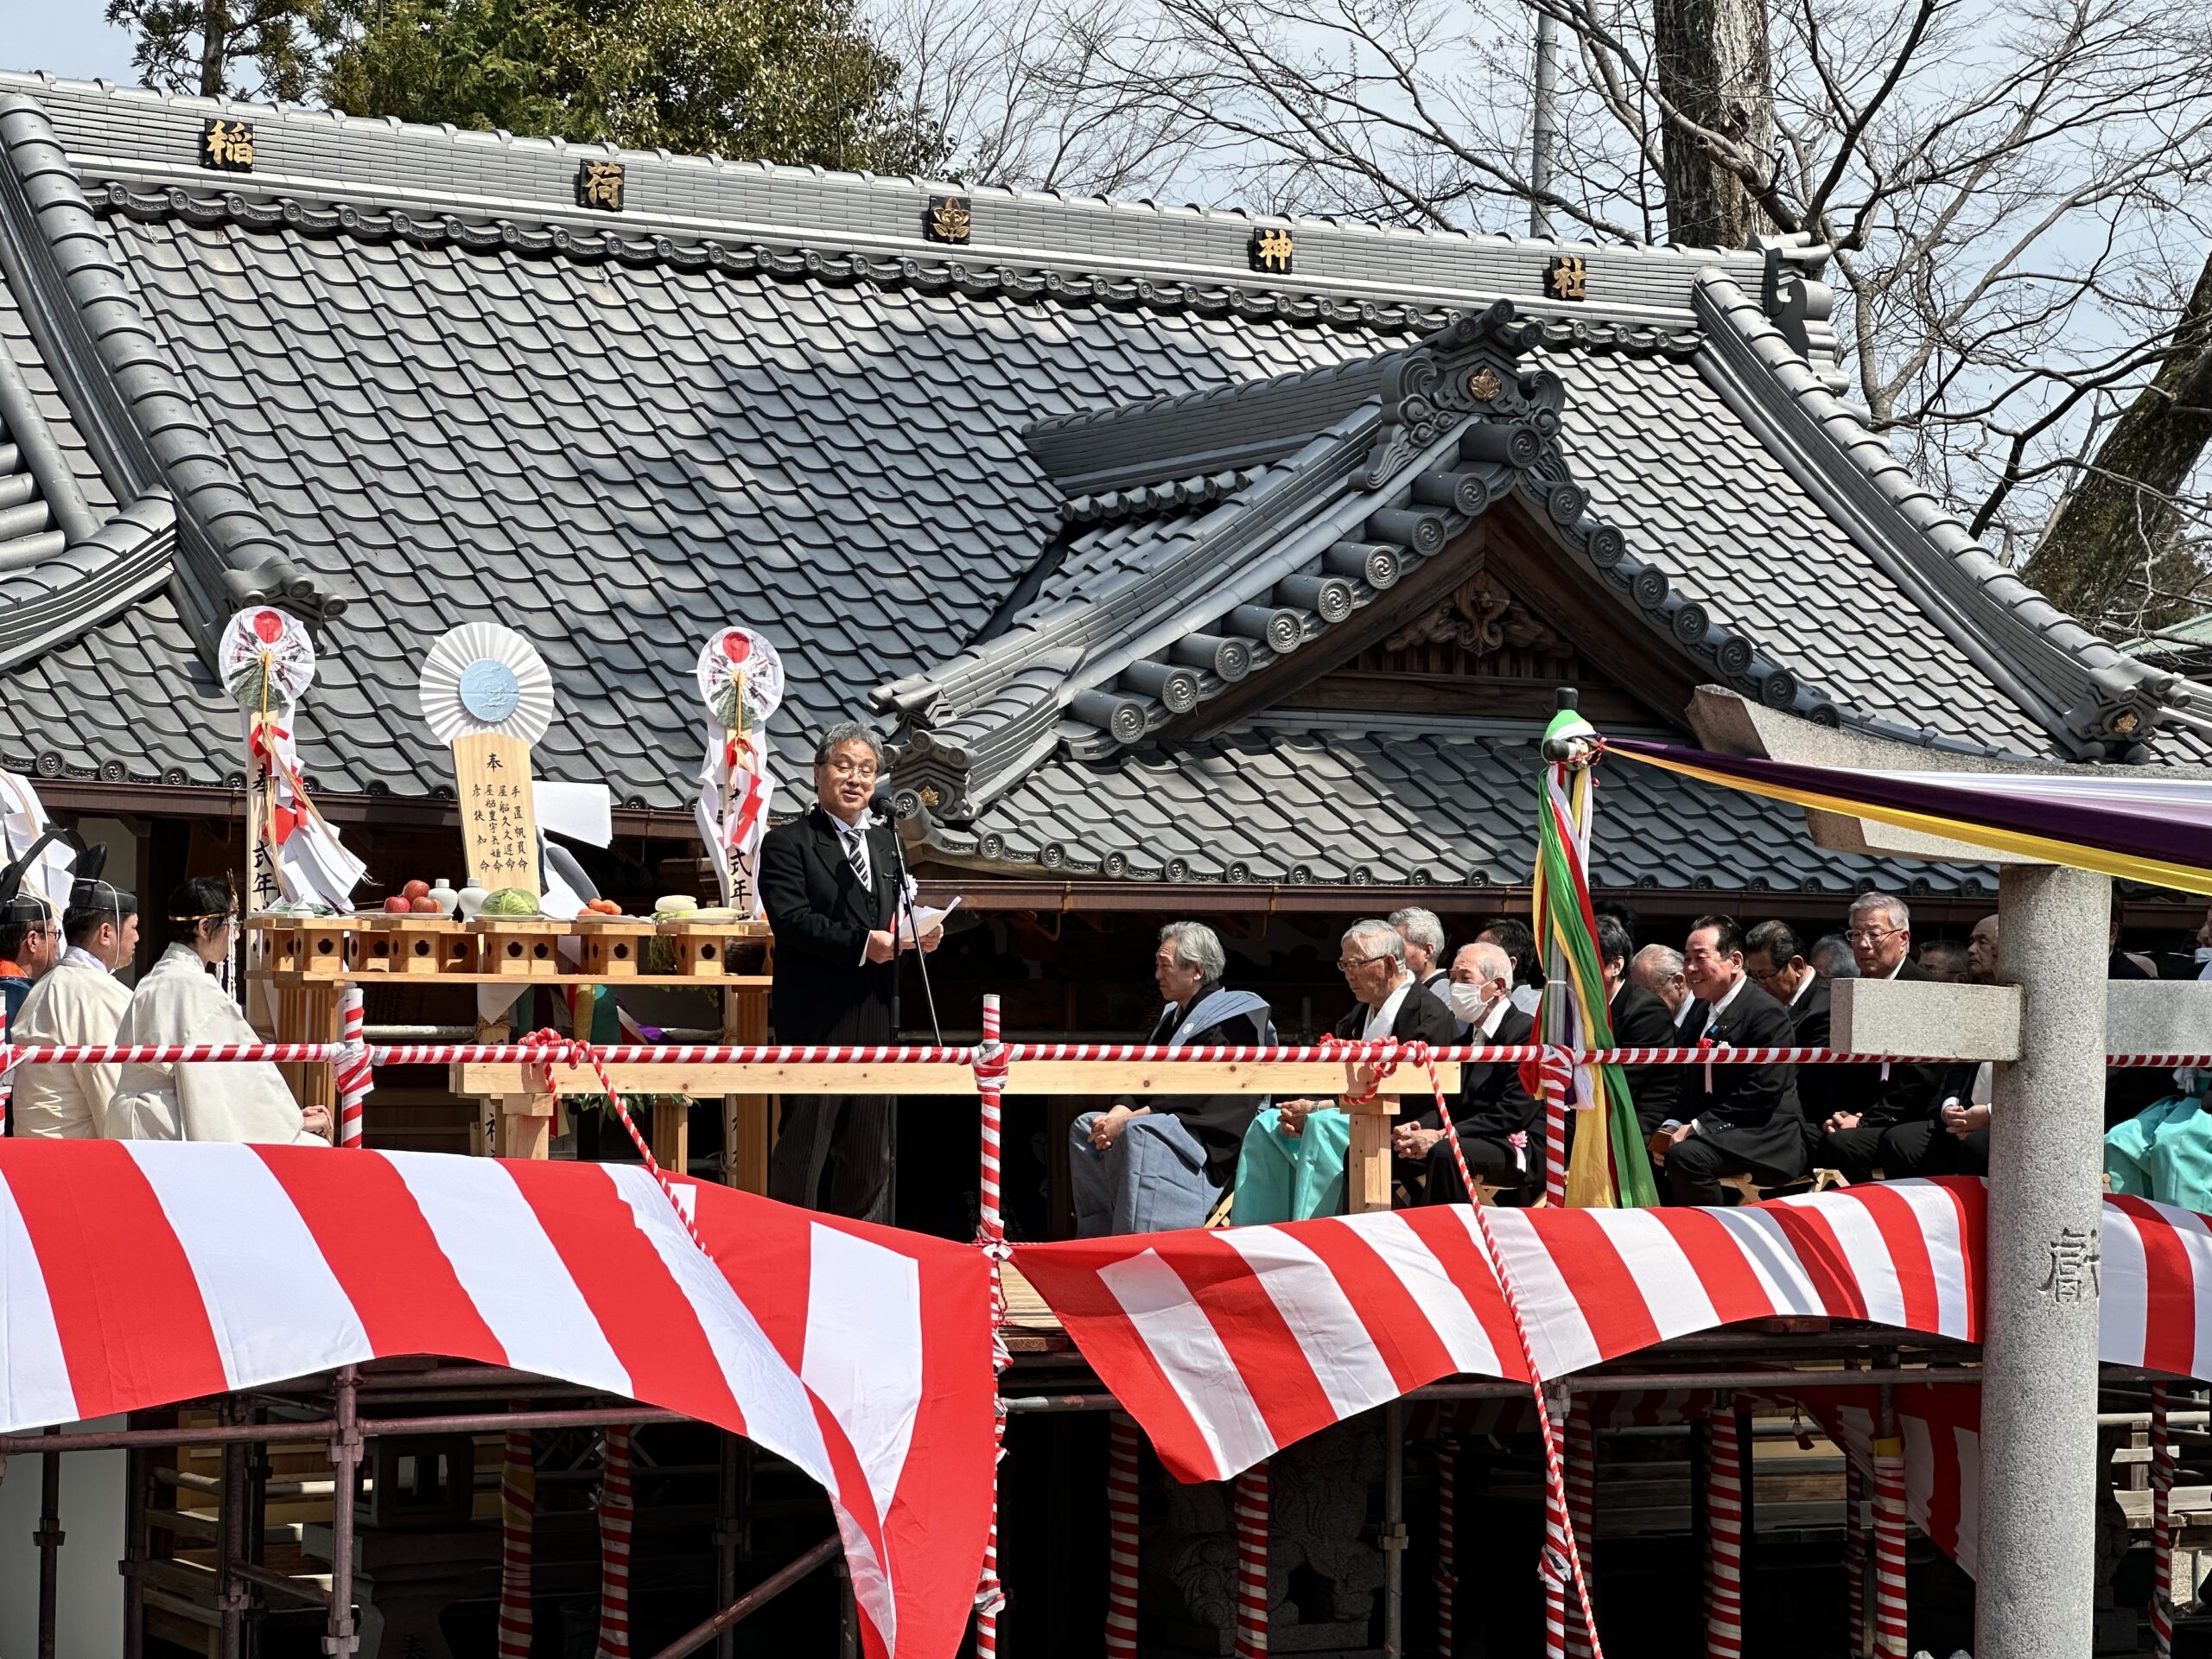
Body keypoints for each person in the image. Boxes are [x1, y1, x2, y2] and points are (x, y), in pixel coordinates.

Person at [757, 722, 941, 1224]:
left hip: (878, 1010)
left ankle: (867, 1255)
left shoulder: (886, 844)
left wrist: (916, 932)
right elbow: (793, 922)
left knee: (870, 1149)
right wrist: (865, 944)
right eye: (844, 766)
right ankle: (787, 1251)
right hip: (816, 1015)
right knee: (805, 1145)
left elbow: (895, 911)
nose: (856, 779)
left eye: (866, 770)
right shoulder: (787, 844)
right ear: (819, 774)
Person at [1234, 919, 1459, 1222]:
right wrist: (1304, 1106)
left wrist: (1317, 1108)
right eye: (1344, 964)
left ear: (1389, 964)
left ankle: (1317, 1235)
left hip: (1398, 1120)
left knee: (1322, 1126)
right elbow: (1331, 1075)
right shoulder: (1357, 1015)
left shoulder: (1428, 1014)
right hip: (1347, 1111)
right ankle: (1259, 1232)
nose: (1348, 974)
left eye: (1355, 963)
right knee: (1269, 1124)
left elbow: (1409, 1093)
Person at [1070, 923, 1274, 1236]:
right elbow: (1145, 1076)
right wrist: (1117, 1114)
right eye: (1157, 965)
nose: (1157, 975)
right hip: (1162, 1116)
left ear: (1196, 970)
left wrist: (1130, 1120)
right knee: (1086, 1126)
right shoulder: (1170, 1018)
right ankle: (1096, 1236)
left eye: (1165, 966)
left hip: (1206, 1135)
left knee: (1142, 1129)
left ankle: (1139, 1244)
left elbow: (1202, 1091)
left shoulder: (1233, 1019)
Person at [107, 877, 330, 1143]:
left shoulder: (156, 977)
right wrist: (290, 1122)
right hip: (161, 1121)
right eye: (230, 924)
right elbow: (238, 1077)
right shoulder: (193, 986)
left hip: (133, 1116)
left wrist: (289, 1117)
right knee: (313, 1147)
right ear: (204, 927)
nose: (234, 934)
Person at [1652, 916, 1808, 1204]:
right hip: (1714, 1128)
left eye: (1700, 958)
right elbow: (1686, 1083)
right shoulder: (1699, 1012)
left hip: (1762, 1134)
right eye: (1686, 959)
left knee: (1686, 1156)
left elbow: (1763, 1092)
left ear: (1735, 961)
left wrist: (1697, 1127)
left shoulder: (1765, 1013)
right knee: (1654, 1146)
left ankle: (1711, 1237)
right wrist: (1671, 1125)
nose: (1690, 969)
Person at [1390, 943, 1538, 1203]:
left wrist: (1442, 1135)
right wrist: (1419, 1128)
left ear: (1498, 986)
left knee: (1445, 1152)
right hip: (1464, 1135)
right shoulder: (1464, 1040)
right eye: (1453, 979)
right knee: (1383, 1151)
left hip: (1516, 1141)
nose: (1455, 987)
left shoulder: (1525, 1034)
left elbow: (1514, 1112)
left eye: (1465, 978)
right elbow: (1450, 1105)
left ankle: (1450, 1237)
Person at [1813, 893, 1943, 1184]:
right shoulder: (1853, 991)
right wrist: (1839, 1115)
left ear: (1903, 938)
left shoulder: (1930, 992)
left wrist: (1864, 1121)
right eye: (1856, 934)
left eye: (1874, 934)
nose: (1862, 944)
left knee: (1843, 1145)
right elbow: (1838, 1064)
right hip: (1858, 1113)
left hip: (1908, 1118)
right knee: (1806, 1132)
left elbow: (1923, 1078)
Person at [9, 861, 137, 1138]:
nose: (137, 937)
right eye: (133, 927)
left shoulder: (47, 985)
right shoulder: (93, 993)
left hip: (37, 1152)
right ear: (106, 933)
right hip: (71, 1157)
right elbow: (110, 1097)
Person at [1878, 918, 1995, 1179]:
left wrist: (1987, 1115)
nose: (1972, 950)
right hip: (1962, 1113)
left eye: (1982, 942)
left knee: (1979, 1147)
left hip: (2008, 1119)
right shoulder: (1976, 999)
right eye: (1971, 941)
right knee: (1899, 1141)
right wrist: (1950, 1107)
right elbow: (1959, 1065)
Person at [1601, 917, 1681, 1135]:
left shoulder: (1647, 1010)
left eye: (1586, 964)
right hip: (1593, 1105)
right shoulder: (1580, 1006)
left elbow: (1623, 1082)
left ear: (1615, 965)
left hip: (1638, 1113)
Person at [1630, 943, 1703, 1036]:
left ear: (1678, 982)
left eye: (1649, 992)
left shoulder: (1706, 1018)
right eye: (1637, 994)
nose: (1640, 1002)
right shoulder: (1646, 1025)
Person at [1477, 917, 1545, 1015]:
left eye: (1482, 952)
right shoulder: (1469, 1005)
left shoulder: (1535, 1008)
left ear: (1510, 964)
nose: (1470, 958)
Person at [1389, 906, 1452, 1008]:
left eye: (1398, 947)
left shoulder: (1445, 994)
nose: (1392, 955)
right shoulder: (1404, 990)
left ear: (1427, 951)